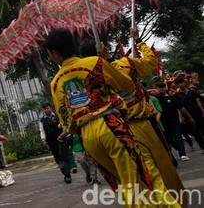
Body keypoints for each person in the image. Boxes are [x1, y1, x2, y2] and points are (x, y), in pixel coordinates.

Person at [44, 29, 158, 207]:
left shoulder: (56, 81)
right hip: (112, 126)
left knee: (119, 183)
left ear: (54, 53)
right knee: (135, 179)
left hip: (87, 138)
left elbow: (66, 119)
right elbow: (127, 85)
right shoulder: (96, 63)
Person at [80, 28, 184, 204]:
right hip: (128, 129)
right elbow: (151, 62)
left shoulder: (89, 81)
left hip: (126, 129)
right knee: (155, 173)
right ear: (102, 49)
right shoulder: (123, 64)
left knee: (159, 172)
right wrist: (137, 40)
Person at [38, 102, 74, 183]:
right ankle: (65, 173)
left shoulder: (58, 116)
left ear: (50, 108)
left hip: (61, 139)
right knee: (57, 158)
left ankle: (67, 175)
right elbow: (42, 131)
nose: (46, 110)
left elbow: (64, 126)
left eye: (47, 108)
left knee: (64, 156)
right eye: (44, 109)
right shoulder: (42, 120)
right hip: (51, 142)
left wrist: (66, 136)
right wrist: (43, 140)